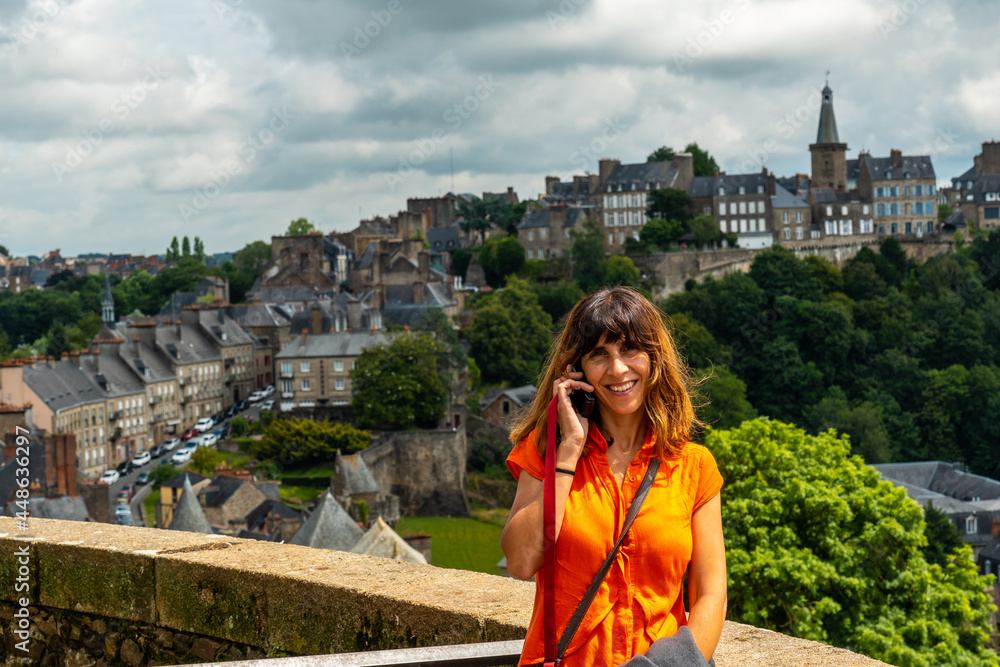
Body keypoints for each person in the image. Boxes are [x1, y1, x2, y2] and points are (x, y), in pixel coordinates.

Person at [501, 287, 726, 666]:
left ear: (654, 358)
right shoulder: (546, 452)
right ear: (576, 370)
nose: (618, 369)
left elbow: (711, 593)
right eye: (599, 354)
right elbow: (521, 561)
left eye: (629, 349)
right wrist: (569, 448)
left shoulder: (693, 465)